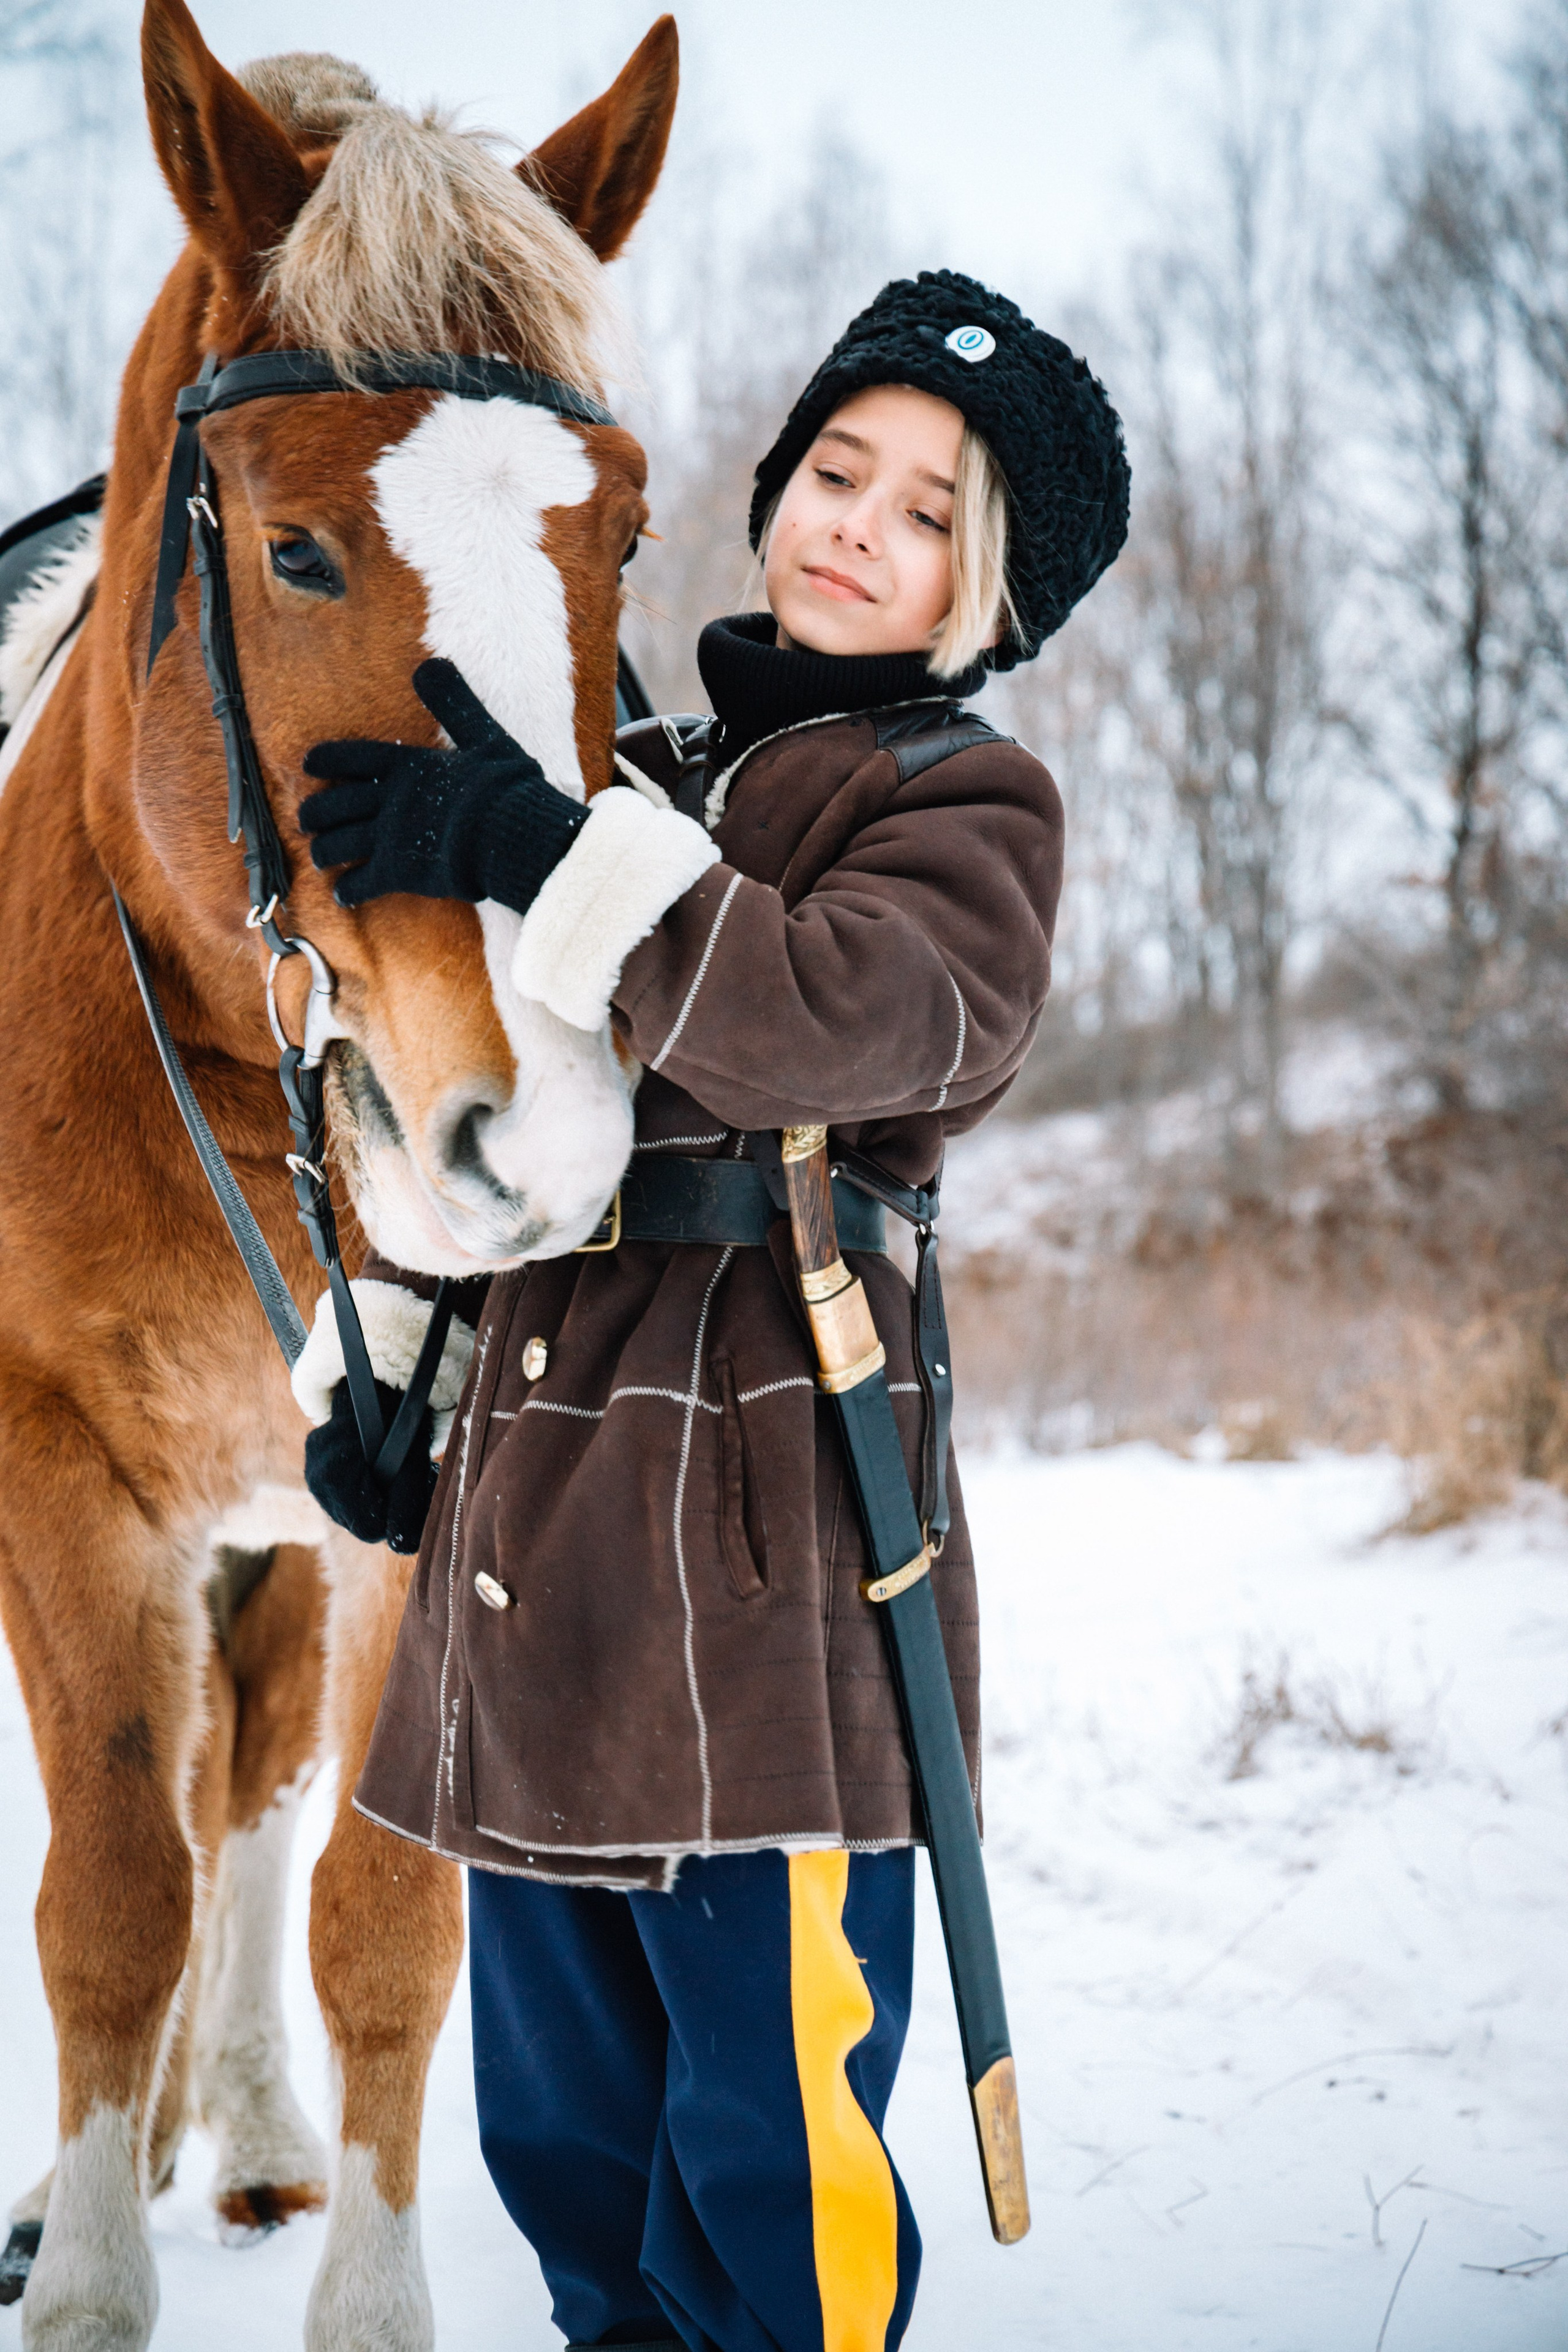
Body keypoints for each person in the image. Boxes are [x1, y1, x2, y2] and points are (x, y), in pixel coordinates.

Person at [294, 270, 1129, 2352]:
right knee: (571, 2161)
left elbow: (825, 1019)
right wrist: (395, 1347)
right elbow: (478, 1103)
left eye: (932, 510)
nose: (859, 520)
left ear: (991, 595)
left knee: (773, 2187)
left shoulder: (963, 810)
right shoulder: (629, 766)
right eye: (839, 469)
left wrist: (546, 845)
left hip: (774, 1611)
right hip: (535, 1582)